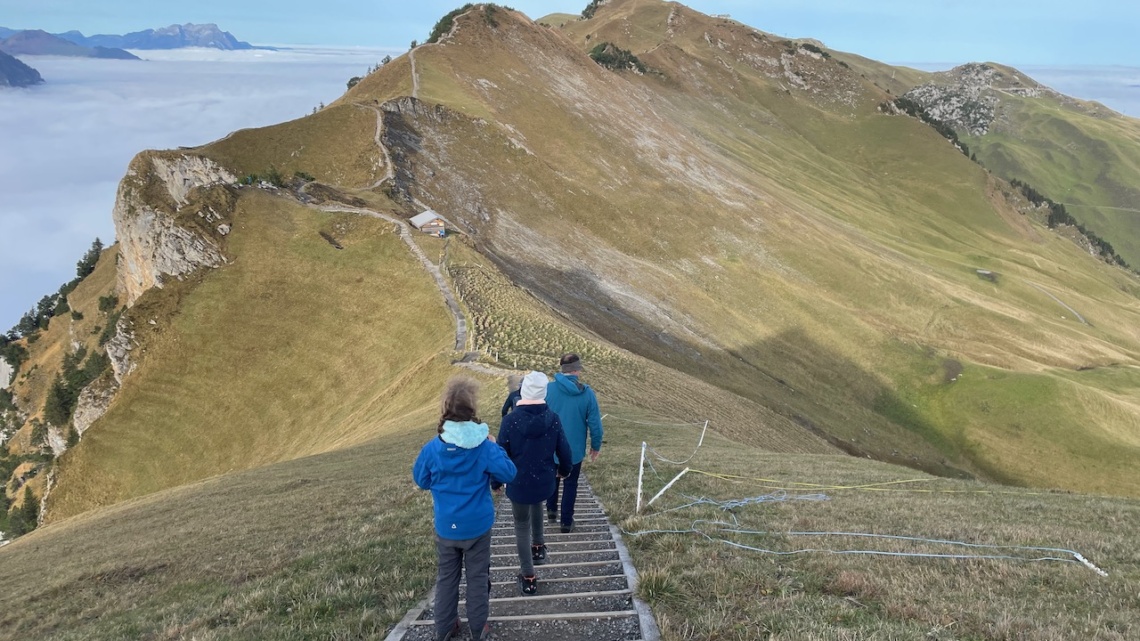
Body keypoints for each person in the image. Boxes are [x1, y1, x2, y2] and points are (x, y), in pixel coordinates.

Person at [413, 377, 516, 641]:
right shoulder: (483, 447)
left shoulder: (433, 448)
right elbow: (509, 473)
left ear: (446, 409)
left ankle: (445, 628)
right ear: (472, 409)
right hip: (478, 526)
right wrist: (494, 446)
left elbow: (421, 480)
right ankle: (479, 628)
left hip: (447, 526)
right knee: (477, 577)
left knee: (447, 578)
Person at [494, 371, 572, 595]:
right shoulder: (553, 418)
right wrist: (564, 471)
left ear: (524, 390)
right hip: (545, 481)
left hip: (518, 482)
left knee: (520, 525)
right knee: (537, 501)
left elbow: (501, 455)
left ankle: (528, 576)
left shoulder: (510, 421)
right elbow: (565, 451)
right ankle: (538, 547)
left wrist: (496, 482)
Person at [544, 353, 603, 533]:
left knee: (552, 479)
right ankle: (566, 522)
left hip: (550, 447)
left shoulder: (547, 389)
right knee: (571, 484)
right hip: (574, 450)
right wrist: (595, 446)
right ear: (576, 370)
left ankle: (551, 511)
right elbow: (595, 424)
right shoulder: (587, 393)